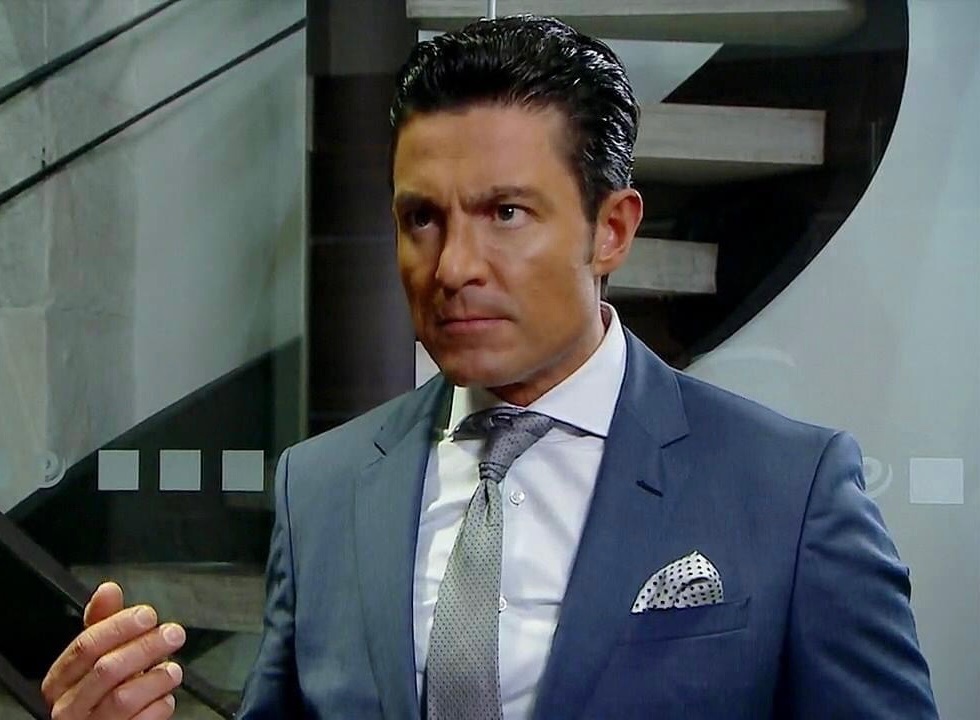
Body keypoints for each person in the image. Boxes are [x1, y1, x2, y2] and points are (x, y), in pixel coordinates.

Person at [41, 15, 938, 720]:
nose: (453, 266)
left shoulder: (790, 490)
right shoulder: (322, 488)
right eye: (421, 218)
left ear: (611, 230)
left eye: (506, 213)